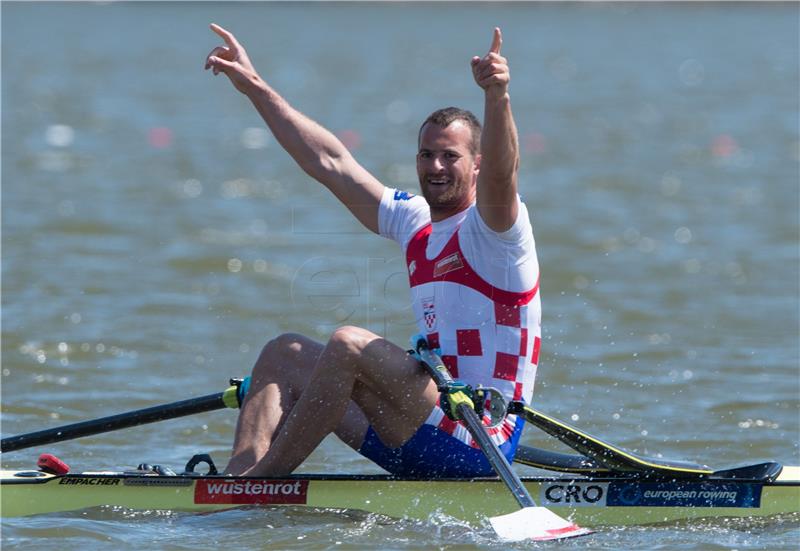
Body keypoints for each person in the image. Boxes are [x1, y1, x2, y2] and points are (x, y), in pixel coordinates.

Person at [205, 23, 541, 478]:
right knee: (283, 352)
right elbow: (330, 163)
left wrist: (497, 94)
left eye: (450, 156)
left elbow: (505, 173)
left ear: (476, 164)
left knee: (349, 343)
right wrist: (254, 88)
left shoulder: (497, 229)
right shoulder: (414, 220)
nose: (435, 167)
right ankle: (235, 489)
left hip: (480, 440)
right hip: (417, 428)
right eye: (426, 155)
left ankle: (262, 481)